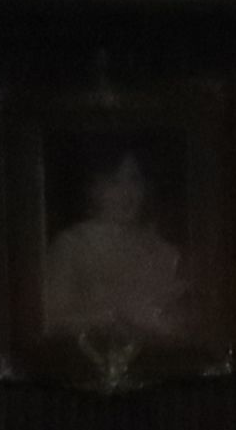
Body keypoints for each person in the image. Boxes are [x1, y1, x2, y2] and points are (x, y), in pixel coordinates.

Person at [41, 146, 193, 342]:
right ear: (93, 188)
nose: (127, 192)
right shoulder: (72, 246)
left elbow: (181, 324)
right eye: (114, 181)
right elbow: (49, 322)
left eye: (134, 180)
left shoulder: (164, 252)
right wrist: (116, 315)